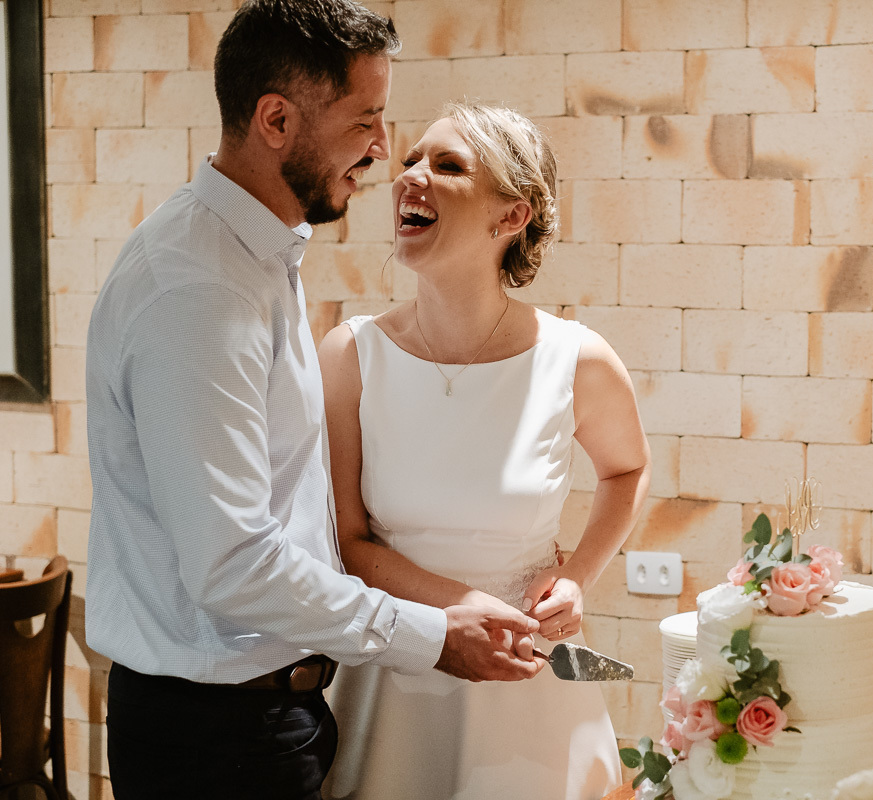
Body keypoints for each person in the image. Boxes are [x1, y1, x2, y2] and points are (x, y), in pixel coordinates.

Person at [85, 5, 542, 800]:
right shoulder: (198, 287)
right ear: (275, 119)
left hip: (270, 716)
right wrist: (431, 636)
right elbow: (232, 565)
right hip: (212, 739)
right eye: (365, 119)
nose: (382, 149)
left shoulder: (256, 255)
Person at [318, 102, 652, 800]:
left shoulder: (577, 359)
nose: (411, 177)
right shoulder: (353, 355)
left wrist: (579, 576)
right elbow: (347, 540)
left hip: (529, 689)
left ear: (511, 217)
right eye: (410, 160)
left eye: (447, 166)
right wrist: (458, 612)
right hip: (394, 679)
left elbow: (626, 469)